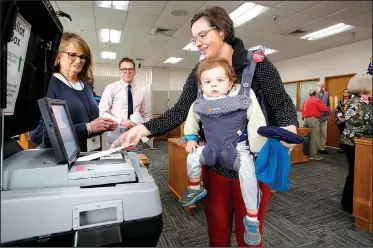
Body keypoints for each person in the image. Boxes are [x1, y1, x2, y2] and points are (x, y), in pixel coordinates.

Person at [112, 6, 298, 247]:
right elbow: (180, 111)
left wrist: (289, 126)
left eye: (202, 35)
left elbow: (282, 103)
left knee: (249, 240)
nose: (197, 43)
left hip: (252, 166)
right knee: (217, 238)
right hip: (216, 167)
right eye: (194, 38)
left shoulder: (257, 63)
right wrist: (144, 129)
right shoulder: (201, 71)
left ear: (222, 30)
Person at [180, 58, 267, 245]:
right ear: (200, 85)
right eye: (208, 82)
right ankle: (195, 187)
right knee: (192, 157)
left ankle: (252, 218)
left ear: (230, 83)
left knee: (249, 174)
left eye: (219, 80)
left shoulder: (243, 96)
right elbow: (191, 121)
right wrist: (191, 138)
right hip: (211, 150)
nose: (213, 85)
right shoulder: (199, 103)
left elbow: (257, 121)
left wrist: (258, 148)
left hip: (238, 150)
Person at [30, 32, 117, 152]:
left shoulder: (85, 86)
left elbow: (88, 122)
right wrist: (87, 128)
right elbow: (38, 134)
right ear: (58, 57)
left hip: (90, 156)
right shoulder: (49, 84)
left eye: (82, 57)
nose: (78, 60)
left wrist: (102, 126)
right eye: (72, 55)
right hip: (65, 160)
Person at [340, 74, 372, 214]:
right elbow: (353, 124)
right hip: (353, 143)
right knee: (355, 173)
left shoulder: (366, 102)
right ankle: (348, 203)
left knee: (360, 173)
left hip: (362, 143)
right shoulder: (356, 102)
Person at [99, 57, 149, 146]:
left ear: (134, 72)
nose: (127, 72)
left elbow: (144, 114)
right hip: (117, 132)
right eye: (124, 69)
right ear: (120, 72)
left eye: (130, 69)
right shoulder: (111, 88)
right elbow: (102, 112)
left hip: (135, 132)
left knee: (136, 158)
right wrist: (121, 121)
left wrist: (148, 129)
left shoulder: (140, 91)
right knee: (117, 159)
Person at [302, 89, 330, 160]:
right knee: (314, 137)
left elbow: (303, 110)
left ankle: (305, 153)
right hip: (313, 120)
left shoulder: (306, 100)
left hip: (305, 120)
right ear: (316, 94)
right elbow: (324, 108)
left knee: (306, 137)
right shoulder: (317, 100)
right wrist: (328, 109)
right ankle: (313, 155)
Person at [316, 82, 330, 154]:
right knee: (316, 133)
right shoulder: (314, 94)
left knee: (323, 134)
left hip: (324, 117)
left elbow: (328, 105)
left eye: (322, 86)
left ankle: (322, 148)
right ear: (317, 86)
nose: (320, 87)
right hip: (316, 117)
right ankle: (316, 148)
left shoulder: (326, 94)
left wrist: (328, 115)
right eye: (319, 86)